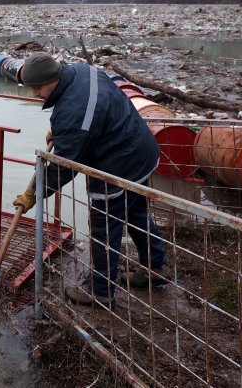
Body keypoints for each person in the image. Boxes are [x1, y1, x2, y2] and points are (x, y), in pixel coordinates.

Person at [13, 51, 171, 307]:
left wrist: (34, 192)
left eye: (38, 88)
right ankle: (157, 267)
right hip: (141, 151)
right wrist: (63, 130)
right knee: (137, 212)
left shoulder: (73, 113)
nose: (35, 94)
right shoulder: (83, 71)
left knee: (104, 227)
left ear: (53, 78)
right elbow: (94, 112)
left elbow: (64, 165)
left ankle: (100, 290)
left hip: (116, 166)